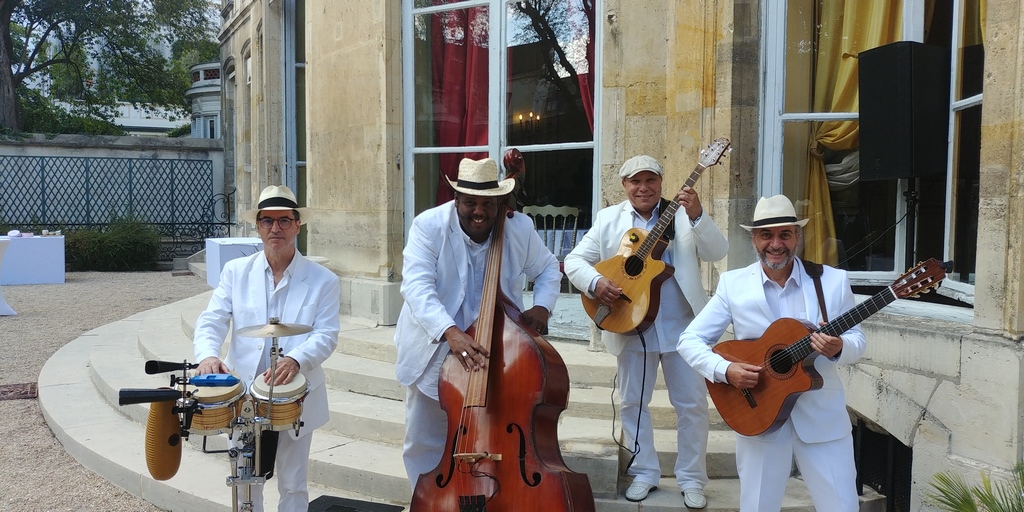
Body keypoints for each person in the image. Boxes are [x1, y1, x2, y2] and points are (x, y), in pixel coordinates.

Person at [677, 194, 866, 512]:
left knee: (842, 507)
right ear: (753, 238)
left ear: (798, 237)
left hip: (822, 420)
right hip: (758, 413)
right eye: (766, 234)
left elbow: (857, 340)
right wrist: (726, 371)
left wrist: (838, 347)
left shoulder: (832, 281)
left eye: (785, 234)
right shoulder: (733, 284)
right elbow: (689, 340)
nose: (776, 244)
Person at [563, 154, 728, 507]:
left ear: (660, 182)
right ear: (624, 186)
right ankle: (644, 473)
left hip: (683, 327)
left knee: (693, 405)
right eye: (635, 181)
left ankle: (691, 479)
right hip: (630, 321)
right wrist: (596, 282)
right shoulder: (609, 219)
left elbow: (718, 251)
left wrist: (698, 214)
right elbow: (574, 261)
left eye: (650, 180)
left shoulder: (682, 214)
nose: (643, 187)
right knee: (633, 403)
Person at [394, 157, 563, 488]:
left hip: (495, 350)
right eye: (470, 202)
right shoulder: (428, 226)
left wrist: (542, 306)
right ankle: (428, 501)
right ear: (456, 199)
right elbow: (416, 287)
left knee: (493, 435)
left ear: (501, 203)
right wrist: (450, 332)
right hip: (437, 347)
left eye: (488, 203)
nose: (479, 211)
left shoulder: (519, 228)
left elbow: (546, 269)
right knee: (424, 439)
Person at [193, 185, 341, 512]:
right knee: (245, 482)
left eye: (284, 220)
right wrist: (207, 354)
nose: (276, 229)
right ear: (257, 225)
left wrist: (297, 359)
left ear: (298, 224)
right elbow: (212, 319)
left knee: (292, 482)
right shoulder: (235, 272)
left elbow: (327, 334)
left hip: (295, 393)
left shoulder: (324, 280)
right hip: (244, 393)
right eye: (267, 221)